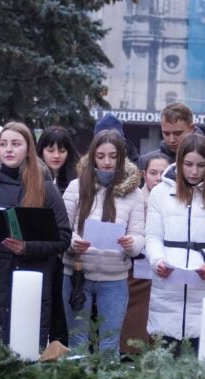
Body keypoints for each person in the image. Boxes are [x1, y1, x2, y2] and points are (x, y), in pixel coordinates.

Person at [0, 122, 71, 345]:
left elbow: (63, 236)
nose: (8, 149)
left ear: (28, 150)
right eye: (4, 144)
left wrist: (28, 248)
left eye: (16, 144)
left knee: (23, 358)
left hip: (27, 284)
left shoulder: (45, 188)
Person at [144, 133, 205, 352]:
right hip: (167, 286)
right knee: (165, 362)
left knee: (204, 362)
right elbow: (153, 237)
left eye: (201, 165)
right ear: (179, 163)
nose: (194, 171)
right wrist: (158, 260)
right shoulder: (160, 193)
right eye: (188, 164)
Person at [61, 129, 144, 354]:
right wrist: (73, 242)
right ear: (92, 157)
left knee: (109, 344)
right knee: (78, 341)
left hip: (114, 278)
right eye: (100, 156)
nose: (107, 162)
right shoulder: (76, 187)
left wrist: (131, 243)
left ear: (121, 158)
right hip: (78, 274)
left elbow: (139, 236)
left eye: (113, 156)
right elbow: (63, 230)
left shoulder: (134, 194)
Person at [120, 152, 171, 354]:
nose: (158, 178)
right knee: (134, 323)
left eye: (163, 173)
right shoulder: (134, 198)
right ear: (143, 174)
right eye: (153, 172)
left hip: (164, 271)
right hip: (135, 273)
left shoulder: (175, 200)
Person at [37, 125, 80, 345]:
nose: (55, 155)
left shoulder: (74, 182)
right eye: (50, 149)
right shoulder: (33, 178)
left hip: (67, 258)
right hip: (41, 252)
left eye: (61, 150)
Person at [138, 102, 205, 177]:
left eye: (177, 133)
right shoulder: (145, 162)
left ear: (191, 128)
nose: (172, 139)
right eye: (166, 133)